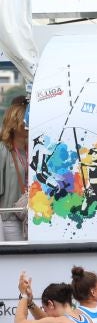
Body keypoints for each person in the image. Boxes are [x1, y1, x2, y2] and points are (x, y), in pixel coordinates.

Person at [0, 95, 28, 241]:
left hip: (29, 216)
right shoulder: (3, 150)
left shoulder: (32, 149)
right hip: (9, 217)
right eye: (25, 121)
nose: (28, 124)